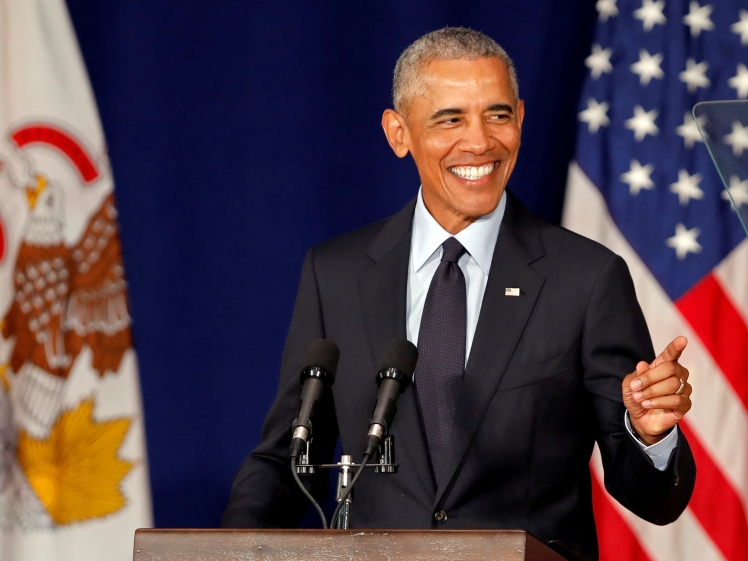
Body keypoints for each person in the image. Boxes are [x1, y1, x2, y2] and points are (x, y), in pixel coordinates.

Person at [222, 27, 695, 560]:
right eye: (450, 119)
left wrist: (650, 437)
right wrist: (230, 549)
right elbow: (288, 458)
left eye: (497, 115)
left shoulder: (585, 278)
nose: (480, 142)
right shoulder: (336, 273)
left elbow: (655, 500)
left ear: (521, 117)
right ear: (398, 133)